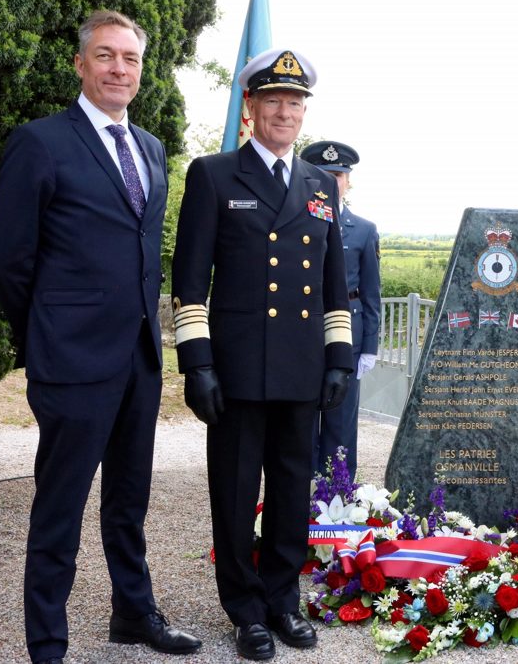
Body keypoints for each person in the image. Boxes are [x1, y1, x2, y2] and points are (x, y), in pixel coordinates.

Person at [0, 10, 201, 664]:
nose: (118, 68)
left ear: (141, 70)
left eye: (130, 58)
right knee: (60, 509)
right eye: (105, 55)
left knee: (128, 501)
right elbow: (9, 260)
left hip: (139, 357)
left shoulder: (152, 149)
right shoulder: (41, 142)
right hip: (72, 361)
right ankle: (47, 646)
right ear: (81, 64)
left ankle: (133, 613)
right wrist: (46, 335)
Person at [170, 48, 354, 660]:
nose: (285, 112)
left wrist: (339, 357)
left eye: (294, 102)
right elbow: (190, 280)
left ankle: (282, 599)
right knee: (234, 490)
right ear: (250, 107)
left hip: (301, 367)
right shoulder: (214, 175)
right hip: (238, 367)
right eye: (273, 100)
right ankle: (245, 609)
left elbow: (333, 282)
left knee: (292, 489)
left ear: (304, 113)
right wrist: (198, 362)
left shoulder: (319, 184)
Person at [301, 140, 381, 481]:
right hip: (303, 329)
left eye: (337, 176)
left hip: (349, 332)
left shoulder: (363, 229)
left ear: (347, 181)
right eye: (323, 175)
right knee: (301, 417)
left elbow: (371, 293)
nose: (331, 182)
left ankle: (339, 493)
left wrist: (370, 346)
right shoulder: (295, 222)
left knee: (341, 420)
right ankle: (299, 493)